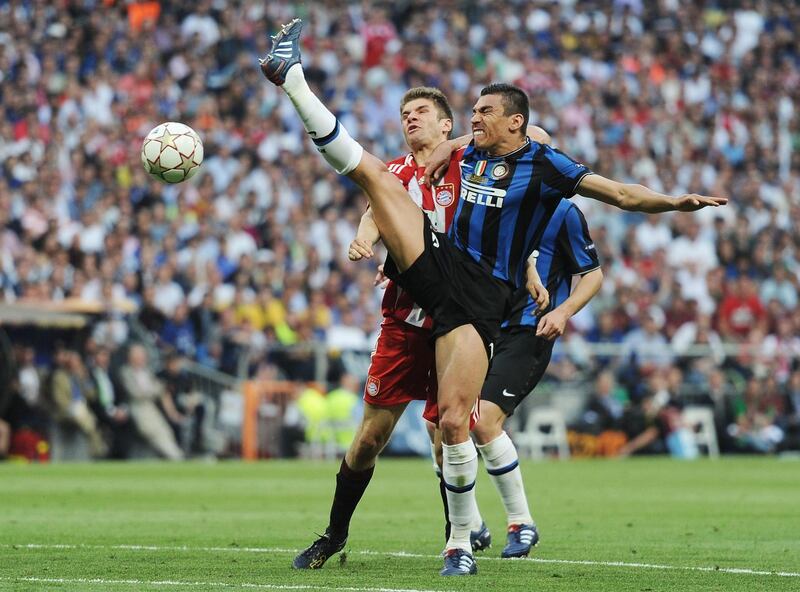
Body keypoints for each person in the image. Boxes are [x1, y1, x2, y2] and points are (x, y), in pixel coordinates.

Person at [260, 19, 726, 576]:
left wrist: (674, 203)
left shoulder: (541, 162)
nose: (475, 118)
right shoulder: (459, 154)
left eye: (483, 113)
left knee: (457, 423)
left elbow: (619, 192)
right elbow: (402, 187)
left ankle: (461, 539)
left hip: (484, 298)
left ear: (514, 122)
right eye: (471, 113)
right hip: (440, 270)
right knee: (375, 178)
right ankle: (292, 80)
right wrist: (391, 209)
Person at [291, 85, 553, 570]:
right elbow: (374, 207)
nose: (410, 119)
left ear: (446, 125)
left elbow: (534, 137)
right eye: (404, 113)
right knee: (370, 438)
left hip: (461, 319)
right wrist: (363, 239)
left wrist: (457, 148)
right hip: (405, 319)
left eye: (421, 113)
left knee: (447, 428)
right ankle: (334, 533)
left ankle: (460, 534)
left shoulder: (472, 161)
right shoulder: (395, 172)